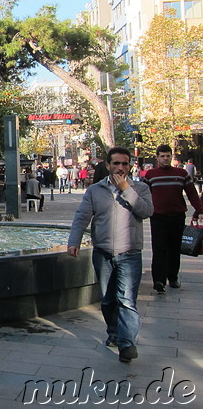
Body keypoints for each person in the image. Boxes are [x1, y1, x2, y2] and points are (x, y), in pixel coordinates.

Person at [67, 147, 153, 363]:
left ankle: (127, 344)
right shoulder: (95, 190)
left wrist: (126, 189)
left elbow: (146, 211)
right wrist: (74, 241)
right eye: (116, 163)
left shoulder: (140, 188)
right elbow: (82, 217)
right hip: (103, 252)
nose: (120, 168)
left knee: (127, 301)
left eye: (124, 164)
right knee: (107, 299)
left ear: (130, 165)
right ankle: (114, 333)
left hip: (130, 252)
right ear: (108, 165)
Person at [143, 145, 203, 292]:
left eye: (168, 156)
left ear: (171, 157)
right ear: (157, 157)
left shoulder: (181, 174)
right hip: (157, 216)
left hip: (177, 216)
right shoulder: (151, 175)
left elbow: (192, 194)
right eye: (162, 156)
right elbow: (143, 194)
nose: (165, 158)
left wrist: (200, 210)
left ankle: (173, 277)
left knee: (174, 248)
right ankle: (158, 280)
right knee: (159, 248)